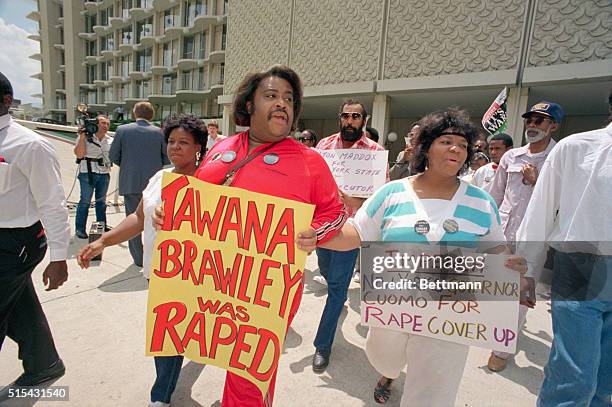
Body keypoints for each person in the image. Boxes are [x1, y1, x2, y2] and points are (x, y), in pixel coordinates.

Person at [297, 108, 527, 406]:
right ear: (426, 147)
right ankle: (389, 372)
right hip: (391, 310)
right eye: (446, 141)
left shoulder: (481, 203)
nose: (456, 148)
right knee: (383, 357)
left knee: (433, 392)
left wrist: (510, 265)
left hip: (451, 318)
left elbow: (496, 248)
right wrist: (319, 236)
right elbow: (355, 232)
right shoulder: (392, 194)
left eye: (462, 144)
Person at [153, 65, 347, 407]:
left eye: (289, 99)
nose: (282, 104)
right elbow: (196, 199)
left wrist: (315, 232)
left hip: (265, 291)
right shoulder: (220, 148)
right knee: (207, 343)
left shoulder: (310, 161)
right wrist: (169, 213)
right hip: (207, 278)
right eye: (271, 96)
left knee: (248, 372)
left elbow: (335, 213)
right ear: (248, 105)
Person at [77, 113, 207, 407]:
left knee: (171, 335)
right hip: (157, 273)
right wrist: (102, 240)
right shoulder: (160, 177)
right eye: (171, 141)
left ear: (198, 146)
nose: (175, 147)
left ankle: (160, 397)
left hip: (192, 277)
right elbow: (137, 217)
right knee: (171, 335)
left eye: (184, 142)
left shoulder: (209, 182)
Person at [516, 92, 612, 407]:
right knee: (575, 379)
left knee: (605, 381)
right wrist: (527, 270)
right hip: (582, 270)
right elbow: (540, 211)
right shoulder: (577, 148)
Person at [0, 72, 70, 386]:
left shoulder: (30, 146)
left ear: (5, 101)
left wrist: (59, 258)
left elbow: (53, 204)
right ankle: (45, 364)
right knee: (18, 306)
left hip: (17, 243)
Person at [486, 101, 563, 372]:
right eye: (529, 119)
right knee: (497, 286)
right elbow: (495, 195)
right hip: (505, 230)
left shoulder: (560, 157)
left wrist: (539, 181)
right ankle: (497, 329)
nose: (532, 125)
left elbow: (564, 203)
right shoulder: (512, 156)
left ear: (553, 126)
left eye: (539, 121)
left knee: (522, 290)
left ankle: (502, 349)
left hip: (534, 238)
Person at [312, 99, 388, 372]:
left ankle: (323, 345)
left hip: (352, 228)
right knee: (327, 273)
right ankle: (338, 297)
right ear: (339, 118)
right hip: (322, 225)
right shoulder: (324, 147)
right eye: (345, 116)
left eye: (356, 117)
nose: (350, 121)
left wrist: (358, 202)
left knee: (337, 288)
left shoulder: (375, 153)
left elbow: (382, 197)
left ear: (364, 121)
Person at [109, 101, 169, 267]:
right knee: (156, 220)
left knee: (133, 218)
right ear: (152, 115)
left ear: (135, 114)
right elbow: (167, 157)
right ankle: (155, 256)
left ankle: (138, 259)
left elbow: (113, 155)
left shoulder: (122, 130)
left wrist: (129, 165)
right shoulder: (159, 132)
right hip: (154, 183)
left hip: (131, 181)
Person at [74, 114, 112, 239]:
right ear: (96, 124)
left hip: (104, 172)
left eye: (107, 123)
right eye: (103, 123)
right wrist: (82, 136)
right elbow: (79, 155)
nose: (105, 126)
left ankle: (102, 225)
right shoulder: (85, 137)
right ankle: (80, 229)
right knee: (85, 201)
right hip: (87, 173)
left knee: (101, 202)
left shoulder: (110, 140)